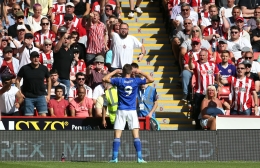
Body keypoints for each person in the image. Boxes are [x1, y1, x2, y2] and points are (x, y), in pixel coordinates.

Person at [102, 64, 154, 163]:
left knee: (117, 135)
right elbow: (151, 80)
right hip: (132, 111)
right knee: (136, 135)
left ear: (123, 72)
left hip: (121, 110)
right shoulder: (136, 81)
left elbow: (105, 78)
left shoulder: (119, 80)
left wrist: (115, 72)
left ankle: (114, 158)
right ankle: (139, 158)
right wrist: (140, 72)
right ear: (131, 72)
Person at [188, 49, 219, 129]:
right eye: (200, 55)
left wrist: (217, 83)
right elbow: (191, 66)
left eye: (203, 55)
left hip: (211, 92)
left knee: (212, 109)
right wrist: (190, 59)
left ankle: (211, 125)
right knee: (198, 110)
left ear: (207, 56)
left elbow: (217, 73)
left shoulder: (212, 64)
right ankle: (198, 128)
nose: (201, 57)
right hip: (200, 92)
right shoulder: (197, 64)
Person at [15, 51, 51, 116]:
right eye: (34, 57)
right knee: (28, 118)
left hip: (41, 96)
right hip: (28, 97)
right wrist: (20, 92)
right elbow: (17, 80)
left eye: (37, 57)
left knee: (43, 117)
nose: (36, 59)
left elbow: (49, 80)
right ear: (30, 58)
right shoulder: (25, 68)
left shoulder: (43, 68)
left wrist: (48, 94)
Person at [52, 31, 74, 99]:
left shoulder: (71, 52)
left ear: (70, 40)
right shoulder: (59, 50)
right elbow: (55, 49)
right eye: (65, 38)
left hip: (66, 78)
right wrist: (62, 37)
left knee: (66, 97)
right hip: (57, 77)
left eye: (68, 38)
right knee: (56, 97)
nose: (66, 40)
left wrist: (69, 79)